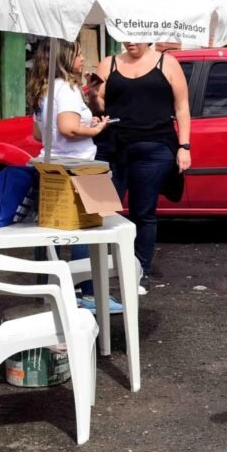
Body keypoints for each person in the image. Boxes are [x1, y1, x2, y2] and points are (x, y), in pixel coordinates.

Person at [87, 42, 191, 292]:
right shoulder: (108, 63)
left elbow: (182, 107)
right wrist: (92, 95)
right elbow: (99, 108)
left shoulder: (168, 63)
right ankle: (95, 275)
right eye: (126, 37)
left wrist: (184, 146)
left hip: (155, 148)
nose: (131, 42)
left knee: (143, 213)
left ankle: (139, 273)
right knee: (100, 212)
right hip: (112, 147)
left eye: (136, 37)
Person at [26, 40, 119, 313]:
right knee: (88, 230)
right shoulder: (66, 88)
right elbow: (68, 128)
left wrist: (83, 123)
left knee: (49, 232)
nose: (83, 59)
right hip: (80, 166)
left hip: (51, 165)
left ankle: (48, 290)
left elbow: (38, 134)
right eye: (79, 54)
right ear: (65, 58)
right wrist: (96, 129)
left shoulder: (43, 89)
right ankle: (88, 293)